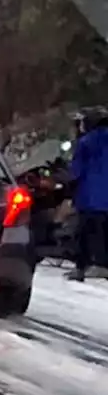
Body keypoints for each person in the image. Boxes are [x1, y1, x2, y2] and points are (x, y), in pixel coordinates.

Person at [67, 107, 108, 280]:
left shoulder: (86, 142)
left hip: (90, 197)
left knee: (84, 233)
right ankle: (102, 265)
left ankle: (83, 267)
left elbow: (76, 171)